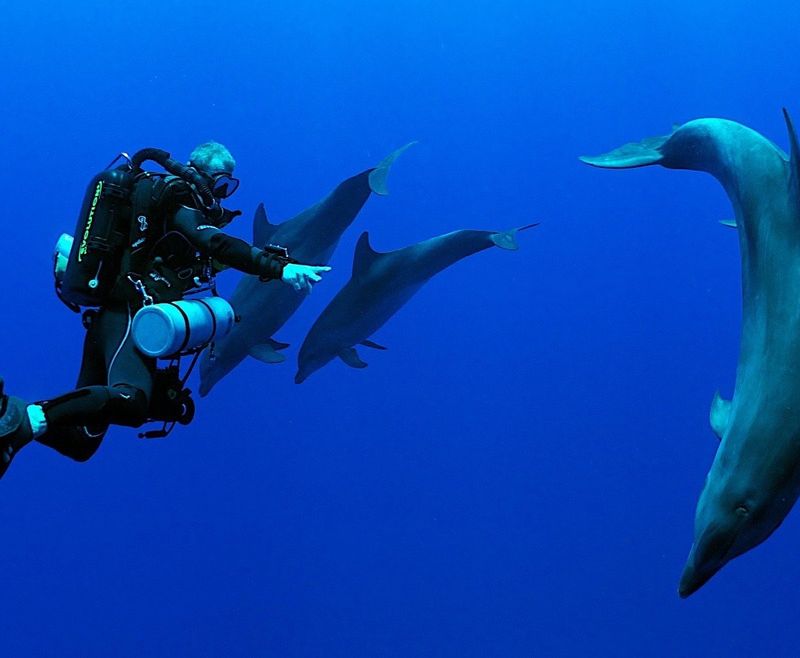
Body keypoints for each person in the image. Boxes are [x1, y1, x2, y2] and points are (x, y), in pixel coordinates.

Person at [0, 141, 329, 477]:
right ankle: (22, 418)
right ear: (201, 173)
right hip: (132, 312)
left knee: (82, 442)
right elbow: (214, 241)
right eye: (221, 183)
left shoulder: (159, 202)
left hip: (112, 316)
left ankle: (12, 413)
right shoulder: (179, 196)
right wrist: (280, 269)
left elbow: (200, 259)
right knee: (131, 401)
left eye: (229, 187)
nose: (222, 194)